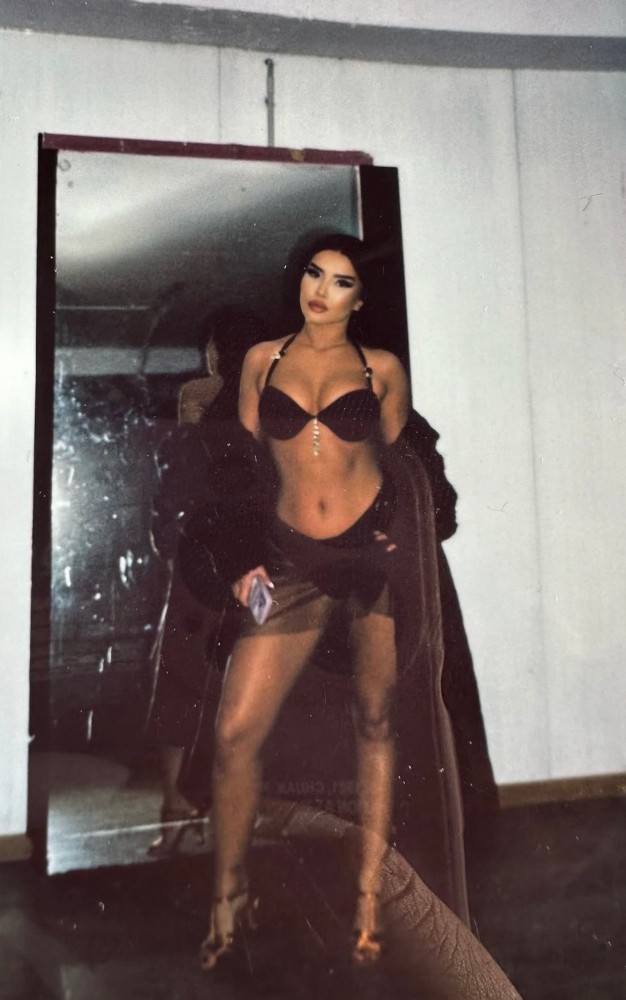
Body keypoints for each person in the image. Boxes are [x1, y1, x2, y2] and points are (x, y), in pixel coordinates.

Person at [199, 233, 468, 970]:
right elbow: (236, 469)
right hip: (291, 561)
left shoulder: (381, 369)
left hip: (368, 560)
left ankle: (369, 898)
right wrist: (241, 558)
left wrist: (397, 534)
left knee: (376, 721)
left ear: (360, 297)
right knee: (235, 732)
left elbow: (408, 464)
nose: (321, 290)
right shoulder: (263, 361)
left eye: (341, 281)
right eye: (315, 274)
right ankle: (228, 898)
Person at [146, 307, 265, 848]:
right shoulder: (270, 406)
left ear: (218, 352)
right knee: (243, 685)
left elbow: (172, 510)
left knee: (185, 688)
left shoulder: (201, 405)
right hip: (248, 573)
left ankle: (182, 805)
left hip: (207, 575)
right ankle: (222, 807)